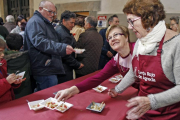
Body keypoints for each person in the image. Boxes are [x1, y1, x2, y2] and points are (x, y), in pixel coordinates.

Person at [108, 0, 180, 119]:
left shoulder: (176, 44)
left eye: (132, 21)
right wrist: (117, 89)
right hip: (142, 112)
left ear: (150, 18)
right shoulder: (140, 43)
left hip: (168, 114)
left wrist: (151, 101)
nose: (129, 27)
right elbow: (134, 72)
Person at [55, 25, 135, 101]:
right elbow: (96, 78)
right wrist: (70, 91)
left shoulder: (139, 50)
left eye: (116, 35)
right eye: (109, 38)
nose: (112, 39)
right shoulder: (116, 61)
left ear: (126, 37)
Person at [24, 1, 75, 91]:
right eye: (50, 11)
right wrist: (62, 48)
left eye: (54, 12)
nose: (52, 15)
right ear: (40, 9)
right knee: (48, 96)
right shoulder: (36, 21)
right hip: (44, 67)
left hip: (47, 66)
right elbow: (40, 42)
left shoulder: (43, 21)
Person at [55, 10, 83, 83]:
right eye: (71, 23)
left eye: (74, 23)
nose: (73, 25)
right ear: (64, 21)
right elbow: (66, 55)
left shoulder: (59, 29)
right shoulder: (63, 34)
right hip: (64, 68)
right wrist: (77, 64)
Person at [4, 33, 32, 98]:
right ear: (22, 46)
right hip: (27, 91)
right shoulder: (27, 56)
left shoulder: (3, 60)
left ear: (7, 46)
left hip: (9, 93)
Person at [0, 38, 26, 104]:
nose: (2, 54)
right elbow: (5, 81)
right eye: (0, 51)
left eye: (3, 51)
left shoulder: (2, 63)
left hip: (8, 101)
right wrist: (7, 81)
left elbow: (4, 80)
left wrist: (13, 82)